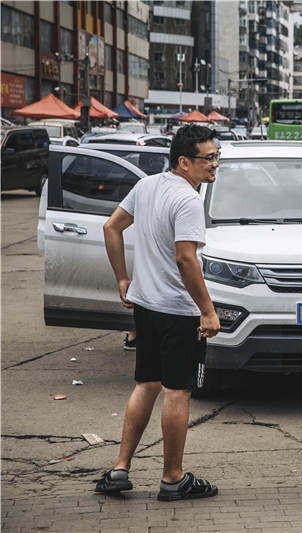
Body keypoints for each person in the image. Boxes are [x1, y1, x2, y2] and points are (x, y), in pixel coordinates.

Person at [95, 124, 222, 501]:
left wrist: (123, 279)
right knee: (177, 391)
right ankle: (172, 478)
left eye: (217, 157)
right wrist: (207, 310)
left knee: (146, 383)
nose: (214, 165)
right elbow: (186, 259)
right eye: (208, 158)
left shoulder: (147, 185)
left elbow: (111, 227)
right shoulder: (188, 200)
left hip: (146, 306)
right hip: (178, 310)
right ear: (184, 162)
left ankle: (120, 469)